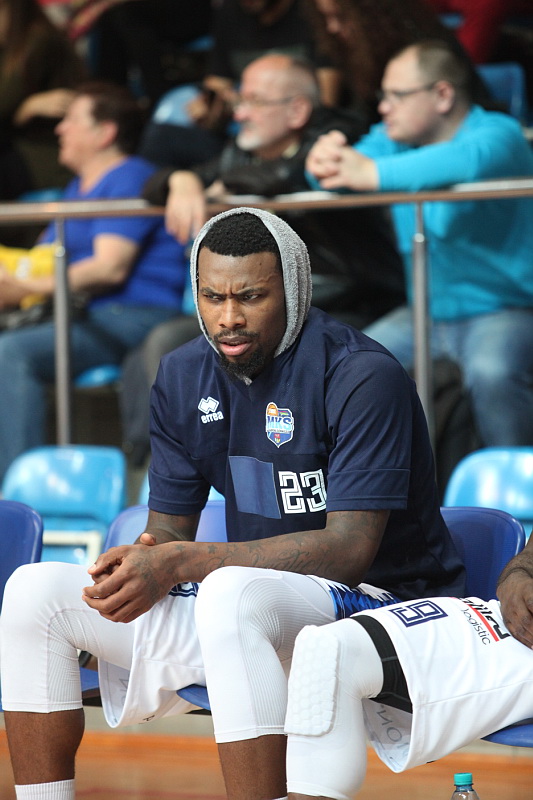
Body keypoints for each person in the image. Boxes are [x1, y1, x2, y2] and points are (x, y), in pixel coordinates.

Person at [0, 207, 465, 800]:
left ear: (294, 290)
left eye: (250, 297)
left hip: (383, 605)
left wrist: (183, 562)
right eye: (212, 297)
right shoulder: (181, 374)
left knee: (232, 593)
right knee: (35, 592)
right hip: (252, 611)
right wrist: (145, 562)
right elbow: (170, 532)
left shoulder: (362, 375)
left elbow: (349, 551)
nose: (228, 318)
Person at [125, 52, 404, 466]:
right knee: (162, 347)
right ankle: (180, 470)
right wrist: (181, 179)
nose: (240, 113)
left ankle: (283, 465)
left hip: (345, 303)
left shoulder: (334, 141)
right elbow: (155, 183)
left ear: (297, 111)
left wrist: (223, 190)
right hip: (261, 308)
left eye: (254, 101)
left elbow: (288, 177)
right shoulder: (239, 153)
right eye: (240, 100)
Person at [306, 38, 533, 448]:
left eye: (397, 95)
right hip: (423, 315)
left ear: (442, 95)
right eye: (383, 95)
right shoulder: (392, 141)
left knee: (492, 372)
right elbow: (340, 171)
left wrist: (371, 174)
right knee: (344, 365)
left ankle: (514, 483)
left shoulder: (499, 133)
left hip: (502, 311)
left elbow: (466, 161)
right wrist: (320, 161)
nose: (383, 107)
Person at [0, 81, 188, 482]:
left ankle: (18, 492)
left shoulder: (128, 176)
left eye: (71, 120)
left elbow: (108, 267)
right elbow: (41, 261)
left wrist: (26, 288)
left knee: (11, 352)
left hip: (137, 313)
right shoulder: (77, 188)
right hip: (93, 314)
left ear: (105, 133)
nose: (59, 129)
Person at [283, 586, 533, 799]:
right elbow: (523, 564)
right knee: (327, 645)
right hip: (492, 613)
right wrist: (518, 582)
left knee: (331, 652)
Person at [137, 0, 343, 170]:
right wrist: (217, 105)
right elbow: (215, 88)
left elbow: (325, 103)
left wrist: (262, 105)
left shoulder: (311, 13)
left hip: (298, 138)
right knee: (162, 137)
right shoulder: (230, 11)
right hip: (241, 138)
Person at [0, 0, 86, 201]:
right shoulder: (11, 47)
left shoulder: (38, 40)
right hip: (17, 148)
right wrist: (24, 109)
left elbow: (3, 103)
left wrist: (23, 110)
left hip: (45, 153)